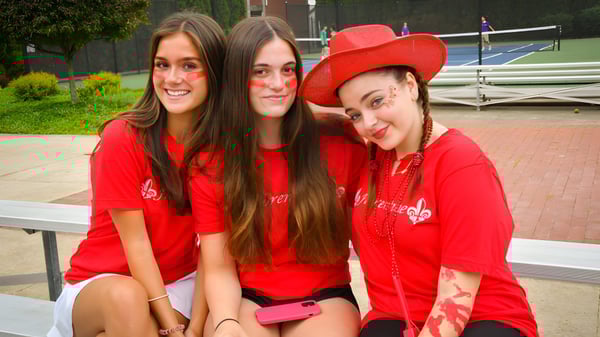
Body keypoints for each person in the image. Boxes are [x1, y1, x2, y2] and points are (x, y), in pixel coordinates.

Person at [300, 25, 539, 337]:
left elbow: (456, 300)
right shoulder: (371, 158)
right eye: (355, 114)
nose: (368, 124)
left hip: (481, 318)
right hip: (394, 317)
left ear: (411, 85)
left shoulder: (461, 164)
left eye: (376, 101)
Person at [47, 12, 226, 337]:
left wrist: (196, 328)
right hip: (102, 284)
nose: (172, 78)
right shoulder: (124, 136)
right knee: (128, 301)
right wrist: (172, 328)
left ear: (214, 72)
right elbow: (136, 243)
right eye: (162, 65)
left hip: (179, 282)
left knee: (228, 309)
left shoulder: (220, 147)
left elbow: (211, 253)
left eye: (189, 65)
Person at [189, 16, 366, 337]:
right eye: (261, 71)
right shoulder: (211, 161)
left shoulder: (340, 138)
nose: (278, 83)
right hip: (246, 298)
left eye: (287, 70)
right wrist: (227, 322)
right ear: (236, 78)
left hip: (325, 297)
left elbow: (370, 241)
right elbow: (217, 267)